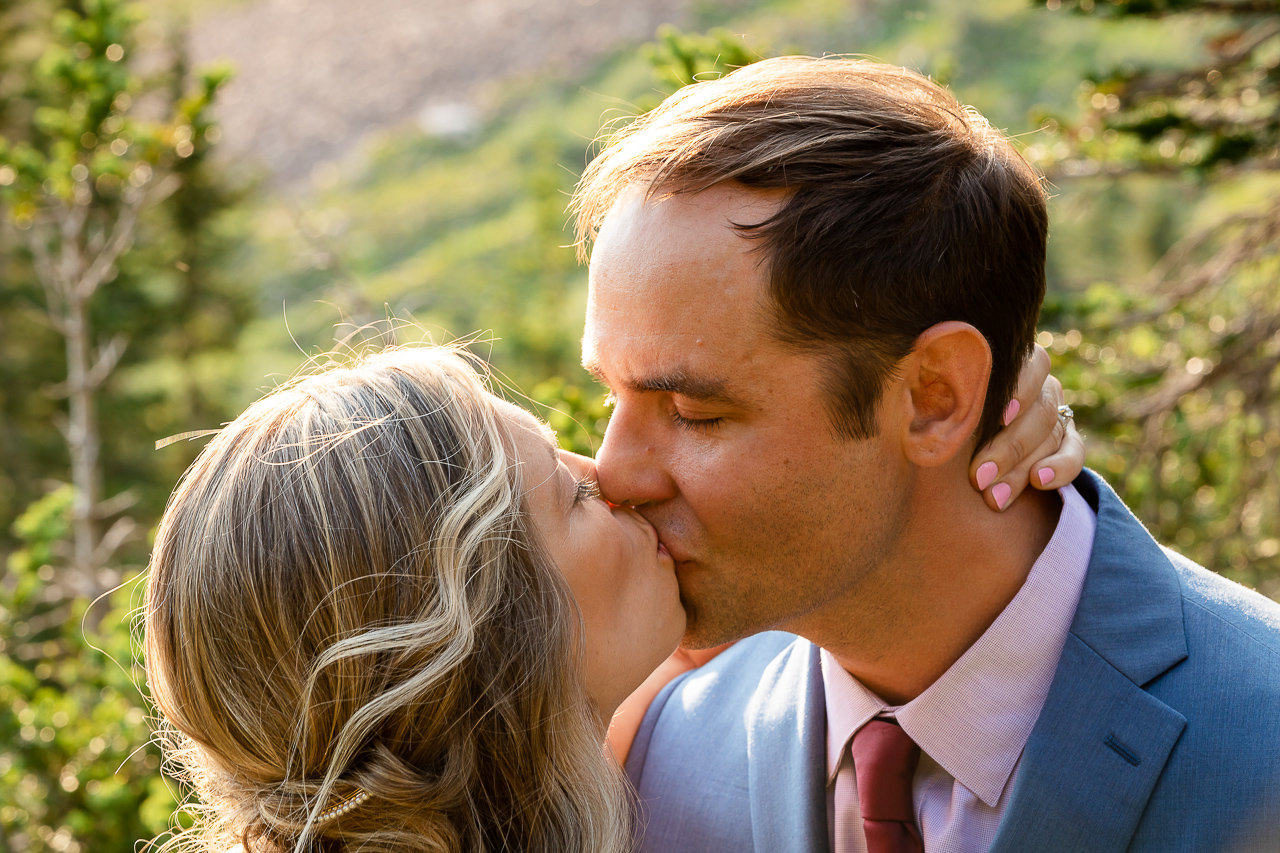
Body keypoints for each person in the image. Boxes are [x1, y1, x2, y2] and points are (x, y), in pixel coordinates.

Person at [572, 56, 1280, 853]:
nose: (614, 472)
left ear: (937, 396)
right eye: (610, 396)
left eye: (694, 411)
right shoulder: (662, 748)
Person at [144, 341, 1070, 853]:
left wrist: (938, 435)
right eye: (571, 493)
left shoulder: (625, 740)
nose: (617, 477)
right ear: (495, 632)